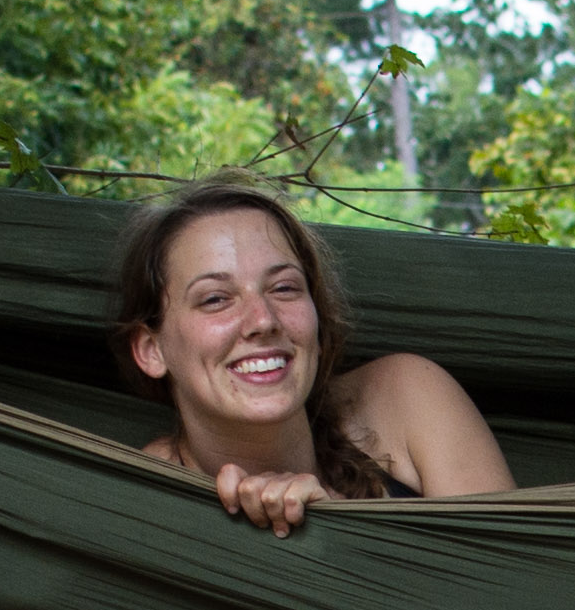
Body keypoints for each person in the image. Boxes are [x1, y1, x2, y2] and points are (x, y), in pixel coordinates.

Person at [115, 182, 511, 535]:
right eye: (215, 299)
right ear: (152, 350)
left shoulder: (406, 398)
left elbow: (519, 589)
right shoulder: (142, 501)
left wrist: (338, 527)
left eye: (284, 288)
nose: (263, 320)